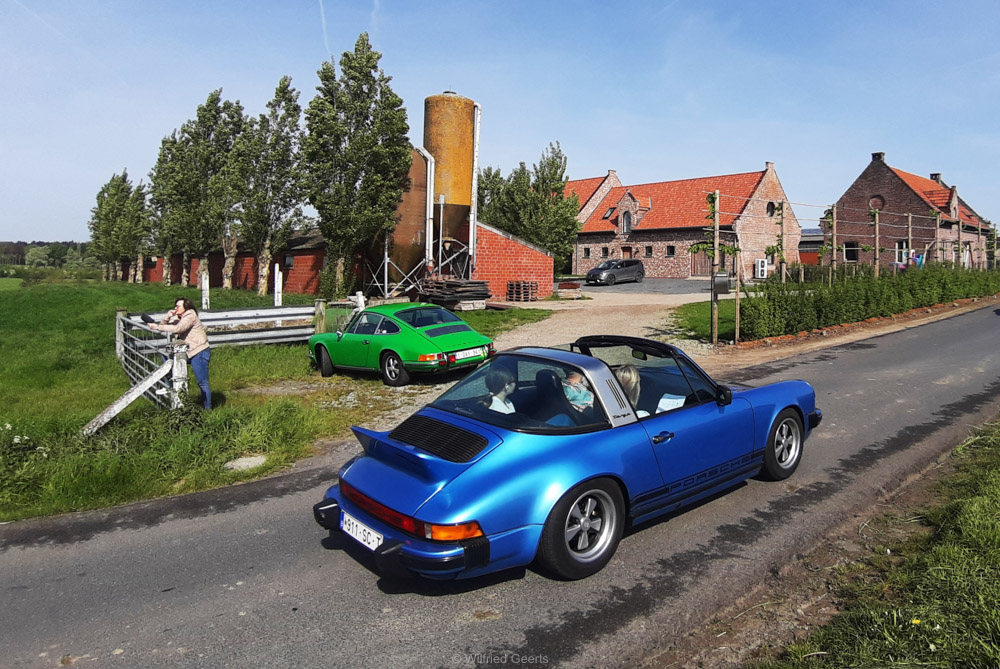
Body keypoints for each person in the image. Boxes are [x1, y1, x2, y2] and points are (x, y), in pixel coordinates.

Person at [150, 297, 212, 410]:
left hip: (199, 351)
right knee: (166, 357)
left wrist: (158, 326)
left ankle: (207, 408)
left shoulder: (190, 315)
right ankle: (169, 385)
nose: (175, 308)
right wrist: (167, 317)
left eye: (178, 306)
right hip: (188, 351)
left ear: (186, 307)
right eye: (175, 306)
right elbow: (165, 326)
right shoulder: (180, 317)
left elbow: (178, 328)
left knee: (202, 382)